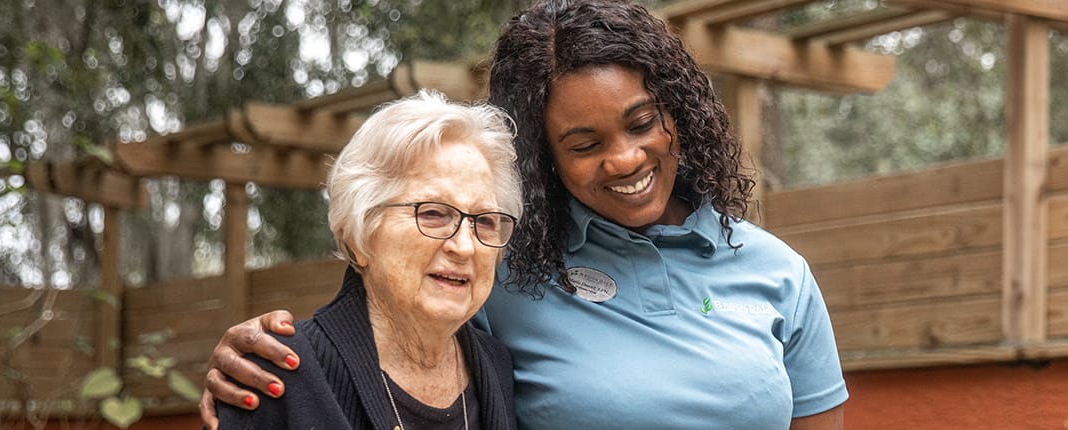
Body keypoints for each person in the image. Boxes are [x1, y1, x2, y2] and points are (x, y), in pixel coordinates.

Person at [200, 1, 848, 428]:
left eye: (642, 123)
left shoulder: (778, 273)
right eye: (584, 145)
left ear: (676, 111)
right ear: (544, 161)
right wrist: (264, 352)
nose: (625, 160)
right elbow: (388, 326)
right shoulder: (503, 267)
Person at [211, 92, 522, 430]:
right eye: (432, 213)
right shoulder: (277, 371)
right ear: (360, 236)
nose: (464, 246)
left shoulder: (498, 367)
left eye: (485, 221)